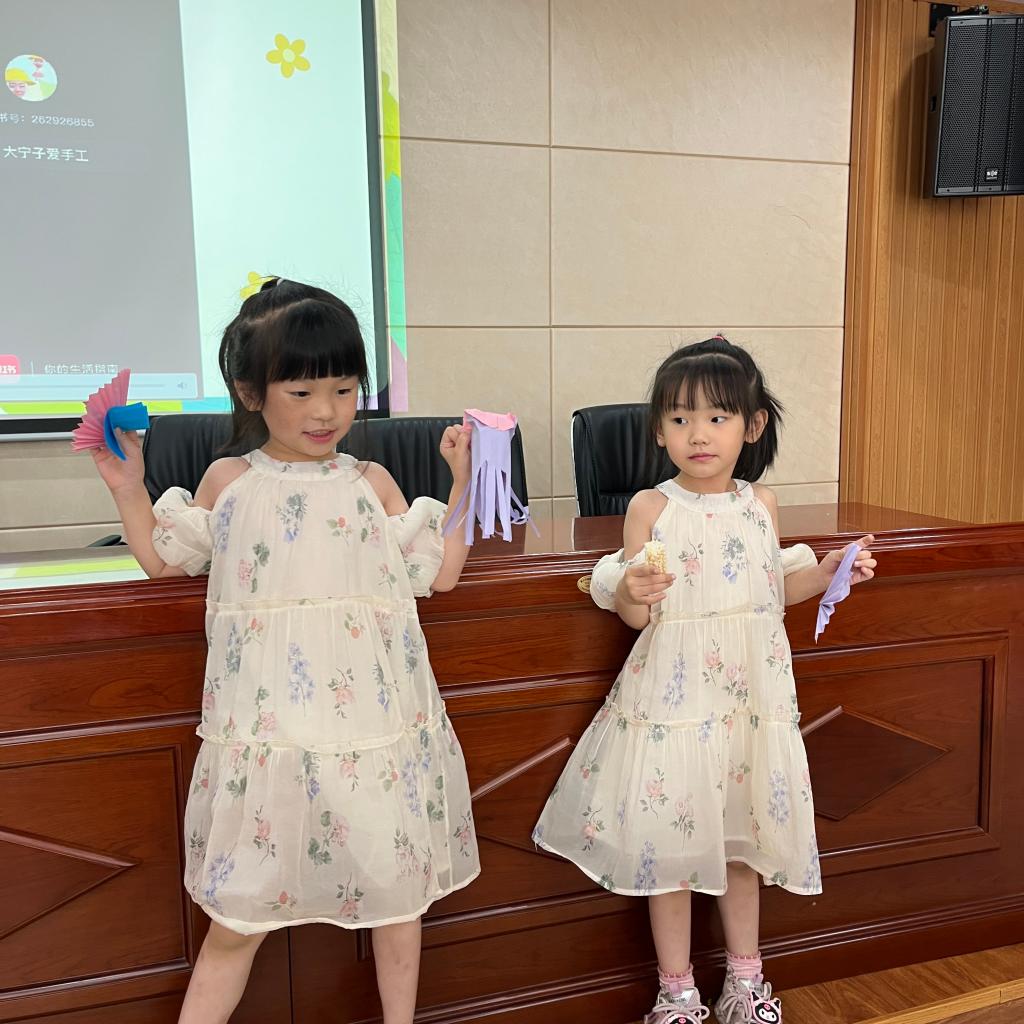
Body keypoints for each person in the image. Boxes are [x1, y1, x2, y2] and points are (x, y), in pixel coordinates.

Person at [91, 279, 480, 1024]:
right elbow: (162, 559)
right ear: (250, 392)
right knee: (237, 919)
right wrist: (128, 487)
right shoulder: (231, 481)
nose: (326, 411)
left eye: (343, 389)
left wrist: (463, 483)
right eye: (301, 392)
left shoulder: (372, 482)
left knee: (397, 903)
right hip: (269, 741)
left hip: (373, 734)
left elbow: (440, 573)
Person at [532, 336, 876, 1024]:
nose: (699, 434)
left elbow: (773, 591)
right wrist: (632, 590)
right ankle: (677, 992)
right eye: (681, 418)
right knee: (670, 849)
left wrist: (829, 571)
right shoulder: (650, 508)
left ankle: (745, 984)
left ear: (752, 426)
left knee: (741, 843)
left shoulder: (761, 504)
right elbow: (635, 612)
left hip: (747, 703)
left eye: (718, 417)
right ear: (658, 430)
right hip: (676, 702)